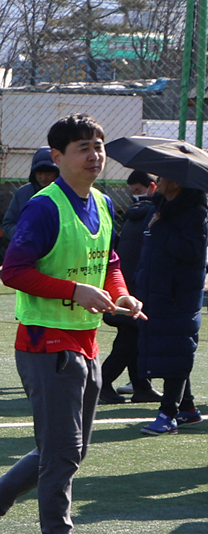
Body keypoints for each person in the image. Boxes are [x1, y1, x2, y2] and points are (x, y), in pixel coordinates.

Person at [0, 114, 142, 534]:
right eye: (84, 147)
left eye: (99, 146)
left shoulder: (103, 202)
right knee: (61, 454)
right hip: (46, 342)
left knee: (66, 451)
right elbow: (13, 271)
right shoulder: (45, 207)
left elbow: (109, 260)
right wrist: (75, 291)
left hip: (85, 340)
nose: (95, 155)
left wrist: (120, 294)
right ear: (57, 157)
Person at [134, 173, 207, 435]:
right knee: (171, 350)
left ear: (176, 182)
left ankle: (168, 414)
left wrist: (161, 227)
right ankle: (187, 407)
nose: (158, 182)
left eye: (162, 178)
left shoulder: (195, 213)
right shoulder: (160, 208)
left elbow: (193, 252)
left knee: (177, 351)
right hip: (157, 292)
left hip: (178, 297)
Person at [100, 169, 159, 405]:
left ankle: (141, 386)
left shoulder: (134, 215)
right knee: (129, 340)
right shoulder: (155, 215)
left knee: (131, 337)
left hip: (124, 287)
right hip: (135, 288)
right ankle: (101, 382)